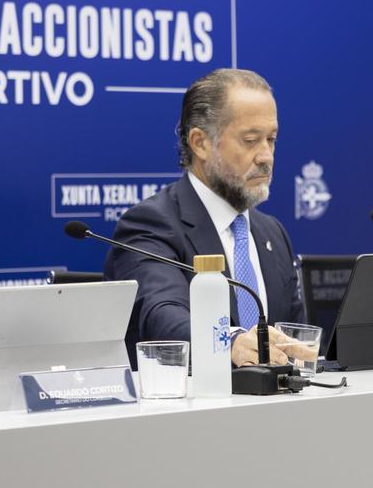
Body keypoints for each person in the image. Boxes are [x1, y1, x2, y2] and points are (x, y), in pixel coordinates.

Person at [102, 68, 307, 367]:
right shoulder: (151, 225)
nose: (266, 156)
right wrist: (230, 344)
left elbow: (293, 332)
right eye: (251, 140)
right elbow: (164, 317)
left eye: (271, 139)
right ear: (200, 143)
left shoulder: (272, 232)